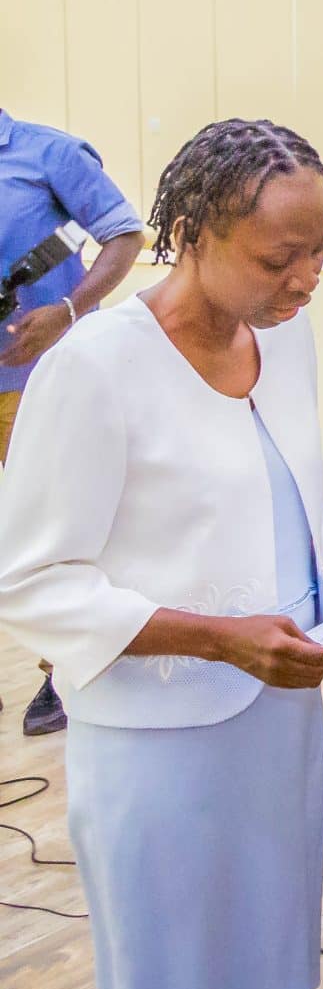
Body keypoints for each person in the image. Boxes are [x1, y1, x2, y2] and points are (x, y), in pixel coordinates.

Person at [0, 118, 323, 989]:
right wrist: (216, 638)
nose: (308, 278)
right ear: (192, 232)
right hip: (159, 746)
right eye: (281, 257)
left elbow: (288, 494)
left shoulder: (283, 339)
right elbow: (29, 582)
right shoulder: (96, 365)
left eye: (320, 250)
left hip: (277, 728)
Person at [0, 109, 147, 736]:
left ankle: (62, 671)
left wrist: (66, 309)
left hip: (37, 383)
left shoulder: (48, 154)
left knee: (58, 531)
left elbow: (125, 235)